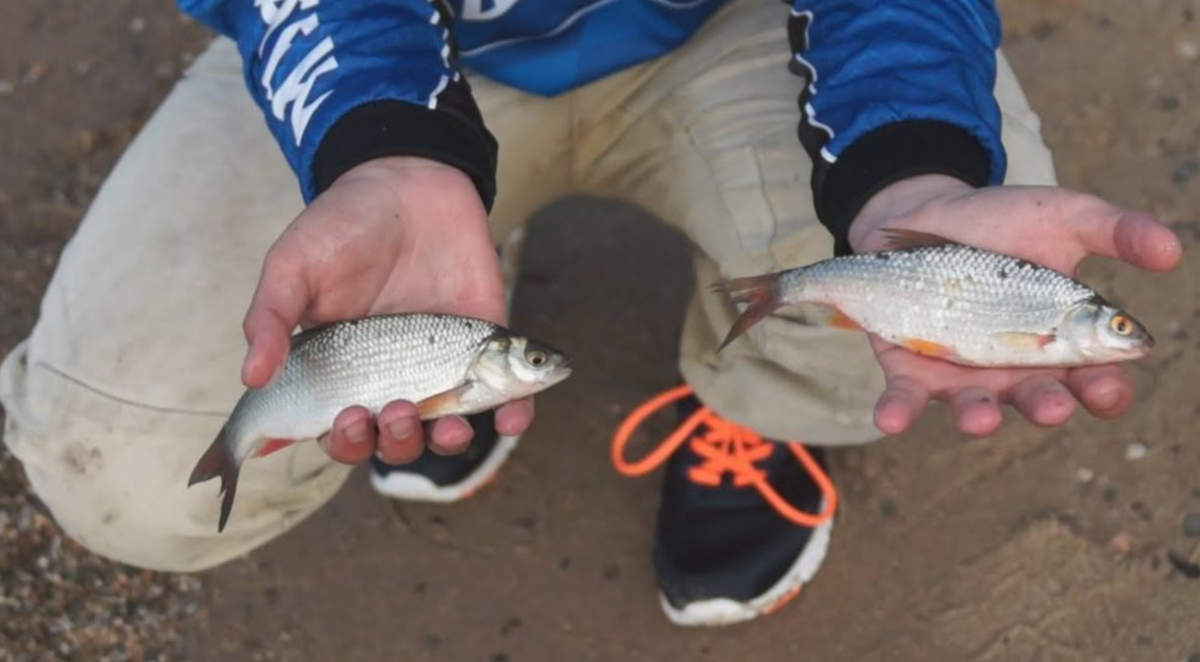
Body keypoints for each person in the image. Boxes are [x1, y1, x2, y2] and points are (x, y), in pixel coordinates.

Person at [0, 0, 1180, 628]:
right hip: (388, 41)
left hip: (747, 27)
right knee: (124, 462)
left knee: (965, 211)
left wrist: (906, 163)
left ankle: (751, 394)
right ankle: (445, 266)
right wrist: (380, 141)